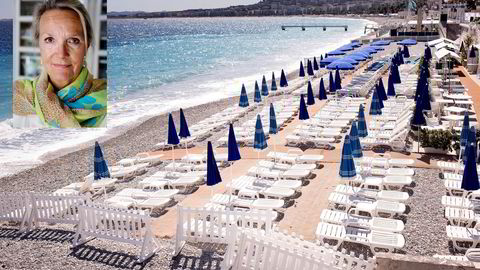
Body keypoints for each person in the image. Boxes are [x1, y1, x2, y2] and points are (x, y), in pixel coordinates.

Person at [13, 0, 107, 128]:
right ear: (39, 46)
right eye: (50, 40)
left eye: (73, 40)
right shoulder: (19, 97)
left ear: (86, 47)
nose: (61, 54)